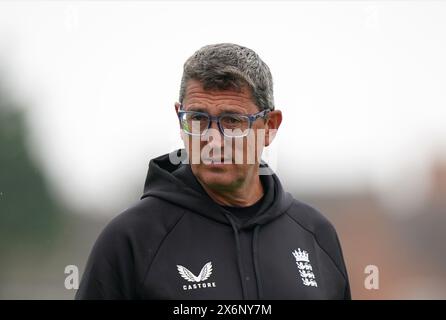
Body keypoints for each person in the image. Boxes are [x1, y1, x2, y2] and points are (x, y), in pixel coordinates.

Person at [75, 43, 351, 300]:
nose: (213, 139)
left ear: (269, 126)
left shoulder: (316, 235)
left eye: (232, 121)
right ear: (179, 117)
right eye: (197, 119)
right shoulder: (131, 239)